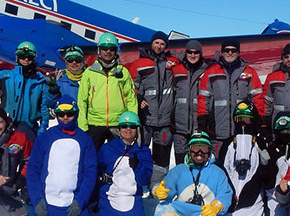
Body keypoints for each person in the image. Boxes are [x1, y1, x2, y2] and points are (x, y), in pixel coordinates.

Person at [25, 96, 97, 216]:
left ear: (75, 114)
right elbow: (33, 170)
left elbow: (91, 173)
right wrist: (37, 199)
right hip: (47, 200)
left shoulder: (84, 139)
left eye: (69, 114)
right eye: (61, 114)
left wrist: (80, 202)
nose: (65, 118)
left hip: (72, 202)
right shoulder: (45, 138)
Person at [148, 132, 233, 216]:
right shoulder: (179, 170)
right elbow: (165, 190)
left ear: (209, 151)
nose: (199, 153)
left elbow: (225, 195)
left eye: (203, 149)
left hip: (204, 213)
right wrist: (157, 190)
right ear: (189, 150)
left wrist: (216, 206)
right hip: (182, 210)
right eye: (195, 148)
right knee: (162, 207)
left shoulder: (218, 172)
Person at [197, 38, 265, 157]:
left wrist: (259, 120)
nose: (230, 53)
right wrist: (202, 118)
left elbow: (257, 97)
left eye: (233, 50)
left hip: (242, 129)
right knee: (218, 163)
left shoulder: (249, 72)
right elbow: (203, 97)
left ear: (238, 52)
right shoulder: (211, 72)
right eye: (227, 50)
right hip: (217, 129)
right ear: (222, 52)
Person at [218, 102, 278, 216]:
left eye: (247, 119)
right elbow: (221, 173)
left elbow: (269, 181)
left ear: (254, 120)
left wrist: (266, 163)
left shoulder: (260, 143)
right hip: (229, 208)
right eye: (239, 119)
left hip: (252, 214)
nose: (243, 123)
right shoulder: (228, 143)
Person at [127, 31, 177, 186]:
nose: (159, 46)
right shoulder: (139, 63)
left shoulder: (171, 62)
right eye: (157, 43)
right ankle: (138, 183)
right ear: (151, 43)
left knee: (162, 156)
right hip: (146, 118)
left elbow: (189, 63)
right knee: (141, 151)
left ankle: (157, 185)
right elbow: (130, 87)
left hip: (165, 120)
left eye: (162, 44)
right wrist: (139, 98)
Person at [0, 41, 50, 142]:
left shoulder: (40, 81)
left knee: (29, 156)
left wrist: (44, 124)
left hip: (29, 127)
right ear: (17, 57)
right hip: (7, 126)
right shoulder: (6, 76)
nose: (26, 59)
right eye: (22, 56)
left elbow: (44, 106)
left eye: (30, 56)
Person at [97, 111, 154, 216]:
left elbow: (145, 180)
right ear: (119, 129)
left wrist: (138, 166)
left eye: (132, 126)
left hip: (131, 196)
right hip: (111, 195)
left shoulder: (143, 151)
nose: (128, 129)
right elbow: (96, 171)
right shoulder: (107, 149)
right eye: (124, 126)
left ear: (137, 129)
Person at [77, 32, 138, 150]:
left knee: (116, 161)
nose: (108, 51)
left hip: (117, 124)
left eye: (111, 49)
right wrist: (83, 126)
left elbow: (131, 98)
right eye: (104, 48)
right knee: (92, 159)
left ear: (116, 51)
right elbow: (82, 101)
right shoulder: (89, 73)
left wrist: (132, 122)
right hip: (94, 124)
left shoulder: (123, 72)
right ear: (99, 50)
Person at [259, 111, 290, 216]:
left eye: (288, 131)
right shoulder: (270, 150)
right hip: (275, 200)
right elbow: (264, 181)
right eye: (282, 131)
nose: (285, 134)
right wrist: (265, 165)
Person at [171, 40, 210, 165]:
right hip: (179, 126)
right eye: (190, 52)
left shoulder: (207, 70)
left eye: (196, 52)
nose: (192, 55)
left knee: (198, 161)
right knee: (181, 162)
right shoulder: (176, 70)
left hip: (198, 125)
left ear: (201, 53)